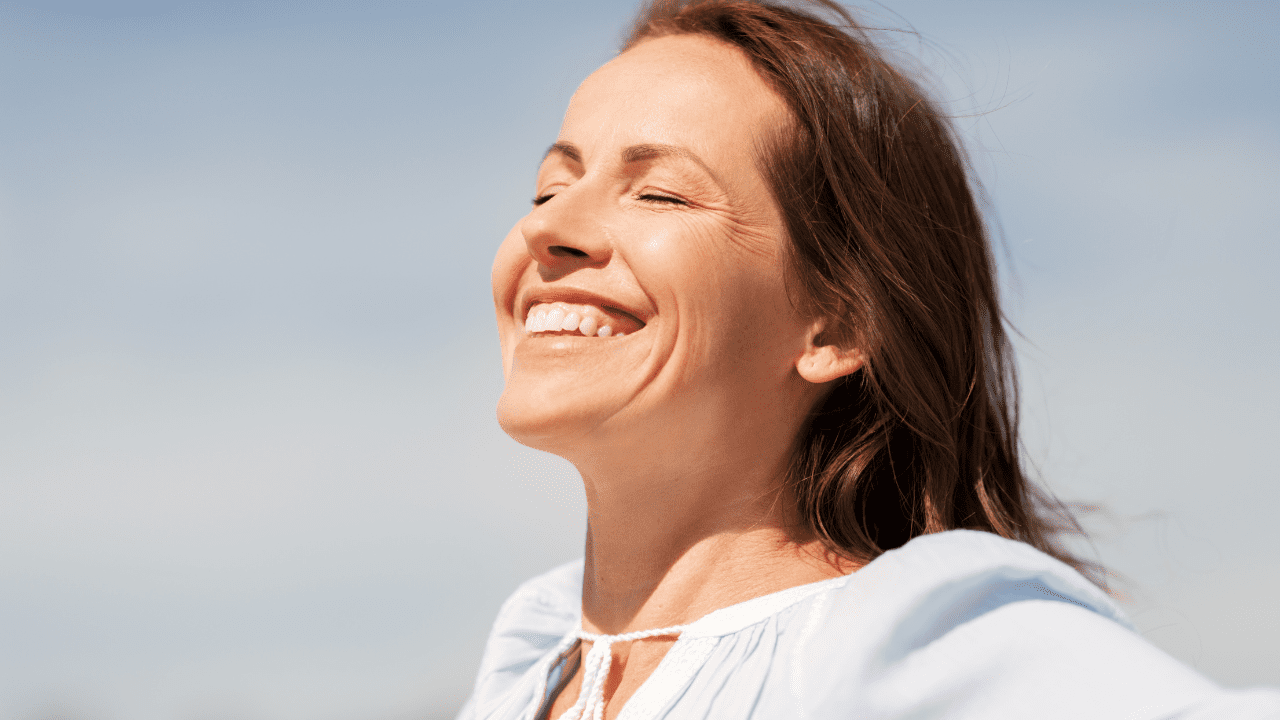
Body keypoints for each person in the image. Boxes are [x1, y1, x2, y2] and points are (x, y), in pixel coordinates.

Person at [459, 1, 1280, 718]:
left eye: (662, 193)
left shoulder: (894, 639)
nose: (545, 228)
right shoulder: (528, 665)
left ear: (837, 325)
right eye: (548, 189)